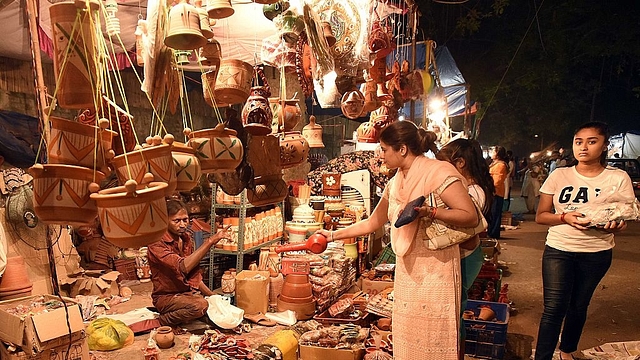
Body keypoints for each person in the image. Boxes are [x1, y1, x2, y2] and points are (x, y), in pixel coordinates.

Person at [317, 121, 479, 360]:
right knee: (408, 336)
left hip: (437, 269)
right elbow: (373, 222)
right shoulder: (395, 182)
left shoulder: (438, 172)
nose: (380, 155)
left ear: (402, 149)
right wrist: (331, 235)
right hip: (408, 267)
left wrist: (431, 212)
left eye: (384, 149)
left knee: (433, 335)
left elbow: (470, 216)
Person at [533, 122, 633, 360]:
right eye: (579, 142)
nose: (584, 147)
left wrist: (617, 225)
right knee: (554, 308)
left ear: (605, 145)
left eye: (592, 141)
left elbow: (624, 217)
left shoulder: (618, 178)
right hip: (559, 248)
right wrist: (564, 216)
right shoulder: (560, 175)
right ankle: (543, 356)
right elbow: (541, 216)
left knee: (578, 306)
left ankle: (567, 351)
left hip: (597, 252)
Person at [436, 139, 495, 359]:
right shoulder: (467, 188)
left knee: (454, 316)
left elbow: (462, 224)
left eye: (444, 165)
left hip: (466, 256)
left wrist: (432, 213)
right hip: (464, 255)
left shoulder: (473, 191)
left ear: (459, 163)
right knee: (454, 312)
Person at [148, 199, 231, 326]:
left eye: (185, 220)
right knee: (200, 305)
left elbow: (193, 276)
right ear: (165, 221)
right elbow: (183, 267)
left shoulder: (186, 238)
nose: (182, 225)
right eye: (176, 221)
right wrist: (210, 242)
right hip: (166, 298)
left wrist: (213, 295)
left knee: (214, 308)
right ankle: (163, 320)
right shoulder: (156, 243)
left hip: (186, 294)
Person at [487, 146, 509, 238]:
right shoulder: (495, 164)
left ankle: (493, 233)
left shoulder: (501, 165)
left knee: (495, 213)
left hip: (496, 192)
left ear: (498, 154)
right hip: (492, 191)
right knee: (492, 213)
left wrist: (491, 189)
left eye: (493, 151)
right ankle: (491, 232)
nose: (491, 153)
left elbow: (497, 180)